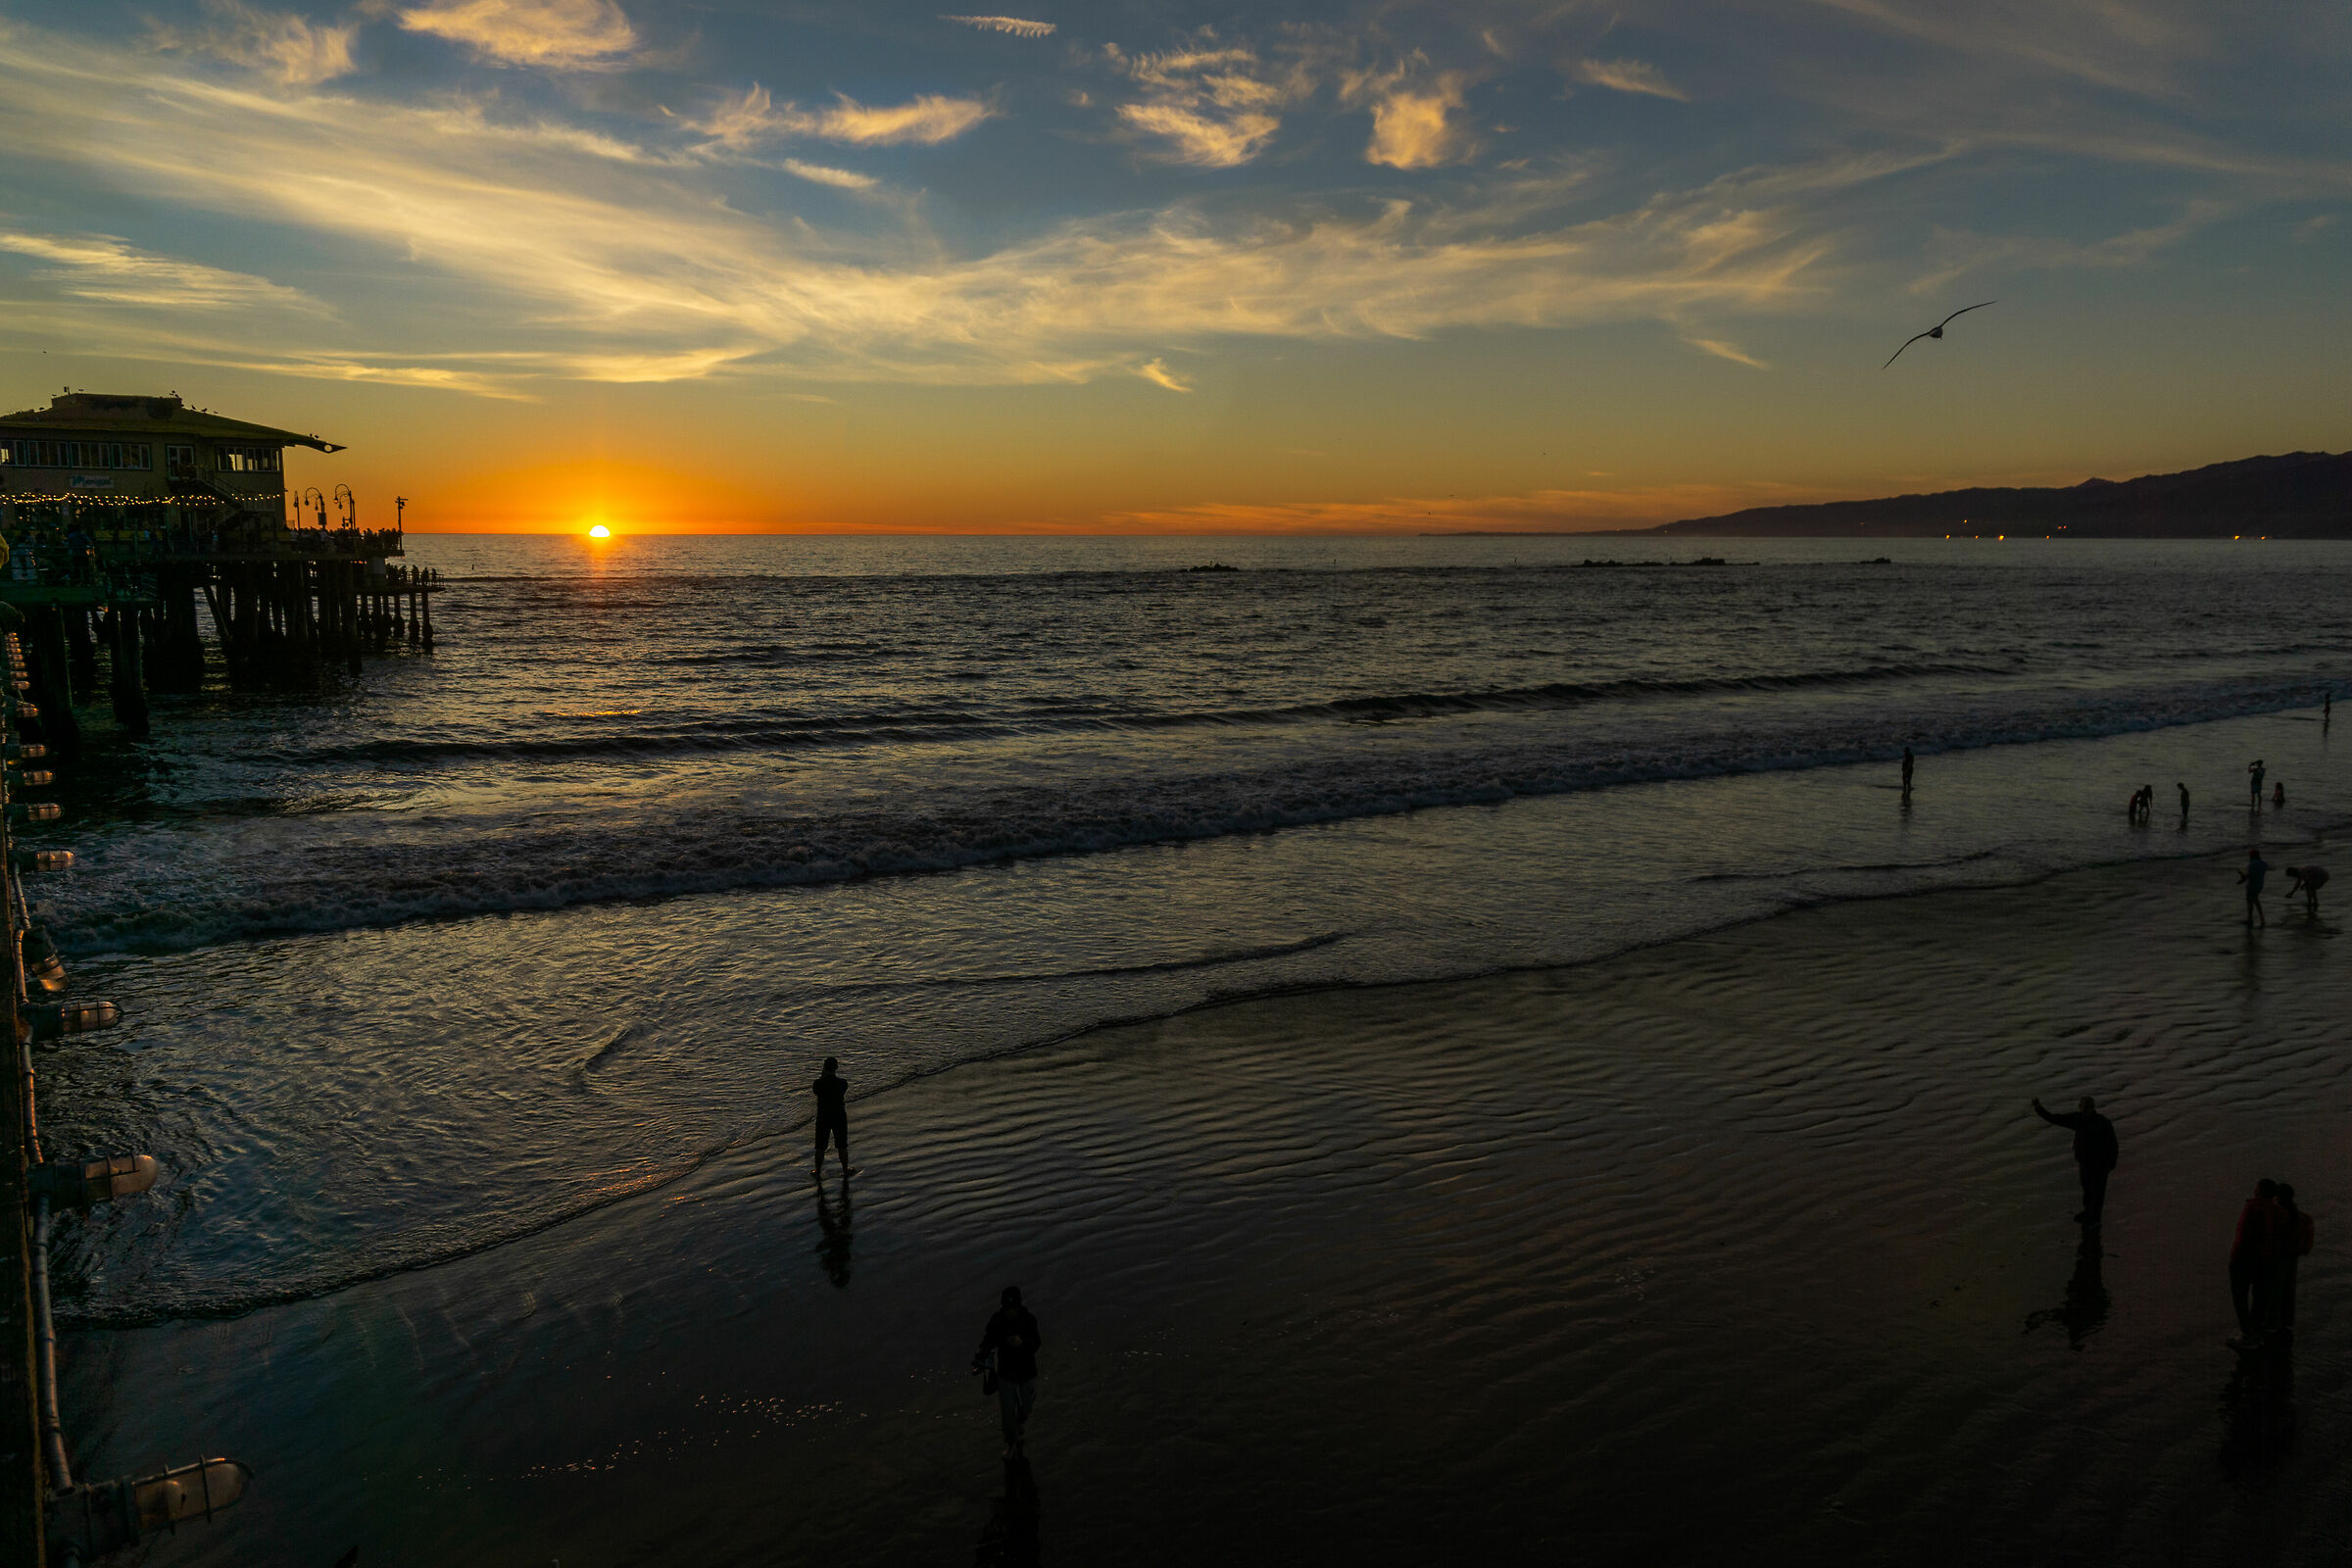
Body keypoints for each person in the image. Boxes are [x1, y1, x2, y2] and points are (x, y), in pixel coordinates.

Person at [974, 1286, 1043, 1456]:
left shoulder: (1028, 1319)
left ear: (1019, 1306)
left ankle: (1020, 1420)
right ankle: (1011, 1444)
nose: (1010, 1312)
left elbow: (1036, 1342)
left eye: (1013, 1308)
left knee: (1026, 1408)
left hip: (1026, 1372)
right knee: (1007, 1415)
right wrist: (981, 1355)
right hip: (1005, 1374)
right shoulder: (997, 1320)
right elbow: (988, 1340)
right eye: (1007, 1308)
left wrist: (1022, 1343)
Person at [2032, 1096, 2119, 1224]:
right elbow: (2055, 1118)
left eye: (2088, 1109)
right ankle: (2088, 1213)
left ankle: (2095, 1219)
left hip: (2100, 1164)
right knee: (2087, 1190)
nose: (2087, 1111)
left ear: (2092, 1108)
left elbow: (2113, 1144)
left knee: (2097, 1192)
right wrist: (2039, 1108)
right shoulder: (2078, 1120)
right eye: (2085, 1109)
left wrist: (2111, 1163)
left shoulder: (2102, 1123)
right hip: (2085, 1163)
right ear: (2080, 1108)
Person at [2230, 1179, 2287, 1350]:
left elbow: (2243, 1236)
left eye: (2256, 1187)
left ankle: (2248, 1334)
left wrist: (2236, 1257)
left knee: (2240, 1296)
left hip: (2243, 1260)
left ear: (2260, 1191)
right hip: (2267, 1262)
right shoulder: (2279, 1212)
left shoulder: (2252, 1208)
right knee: (2259, 1298)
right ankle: (2256, 1332)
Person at [2277, 1184, 2315, 1336]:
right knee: (2289, 1289)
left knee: (2275, 1289)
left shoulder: (2281, 1215)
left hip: (2279, 1256)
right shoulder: (2299, 1216)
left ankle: (2272, 1323)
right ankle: (2287, 1322)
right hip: (2293, 1256)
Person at [810, 1055, 856, 1177]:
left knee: (820, 1146)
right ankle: (845, 1169)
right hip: (839, 1115)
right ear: (836, 1068)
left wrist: (822, 1076)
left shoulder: (818, 1083)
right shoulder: (842, 1083)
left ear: (824, 1067)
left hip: (823, 1116)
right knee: (842, 1144)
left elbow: (816, 1091)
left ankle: (818, 1170)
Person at [2240, 848, 2270, 927]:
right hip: (2260, 885)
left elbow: (2250, 875)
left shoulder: (2251, 865)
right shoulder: (2264, 864)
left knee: (2250, 903)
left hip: (2251, 885)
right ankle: (2261, 917)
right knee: (2256, 900)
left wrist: (2243, 877)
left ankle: (2250, 919)